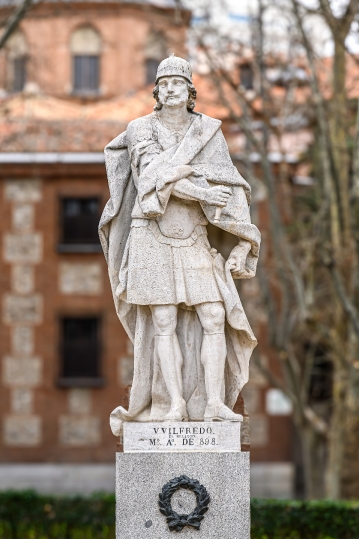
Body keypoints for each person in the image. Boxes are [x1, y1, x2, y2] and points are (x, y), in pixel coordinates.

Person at [99, 55, 261, 433]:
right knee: (164, 321)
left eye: (178, 83)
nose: (171, 88)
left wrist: (236, 233)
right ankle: (171, 405)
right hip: (150, 233)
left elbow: (230, 184)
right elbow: (152, 178)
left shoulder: (208, 132)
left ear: (190, 92)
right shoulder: (140, 128)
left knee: (214, 315)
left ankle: (215, 403)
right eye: (164, 83)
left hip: (192, 231)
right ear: (157, 92)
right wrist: (198, 188)